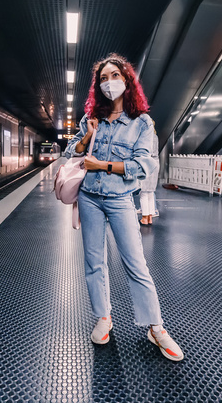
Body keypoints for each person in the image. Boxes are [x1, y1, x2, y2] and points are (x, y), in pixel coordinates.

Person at [64, 53, 183, 361]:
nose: (109, 83)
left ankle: (155, 327)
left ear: (127, 81)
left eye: (114, 76)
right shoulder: (92, 119)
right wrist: (86, 137)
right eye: (103, 79)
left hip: (119, 200)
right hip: (89, 197)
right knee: (94, 261)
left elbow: (144, 164)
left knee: (135, 263)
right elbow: (70, 152)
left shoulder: (142, 123)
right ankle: (104, 317)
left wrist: (102, 164)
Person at [139, 125, 159, 226]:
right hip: (156, 163)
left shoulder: (145, 136)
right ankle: (150, 217)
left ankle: (144, 218)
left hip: (147, 164)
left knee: (143, 193)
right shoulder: (156, 137)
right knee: (151, 192)